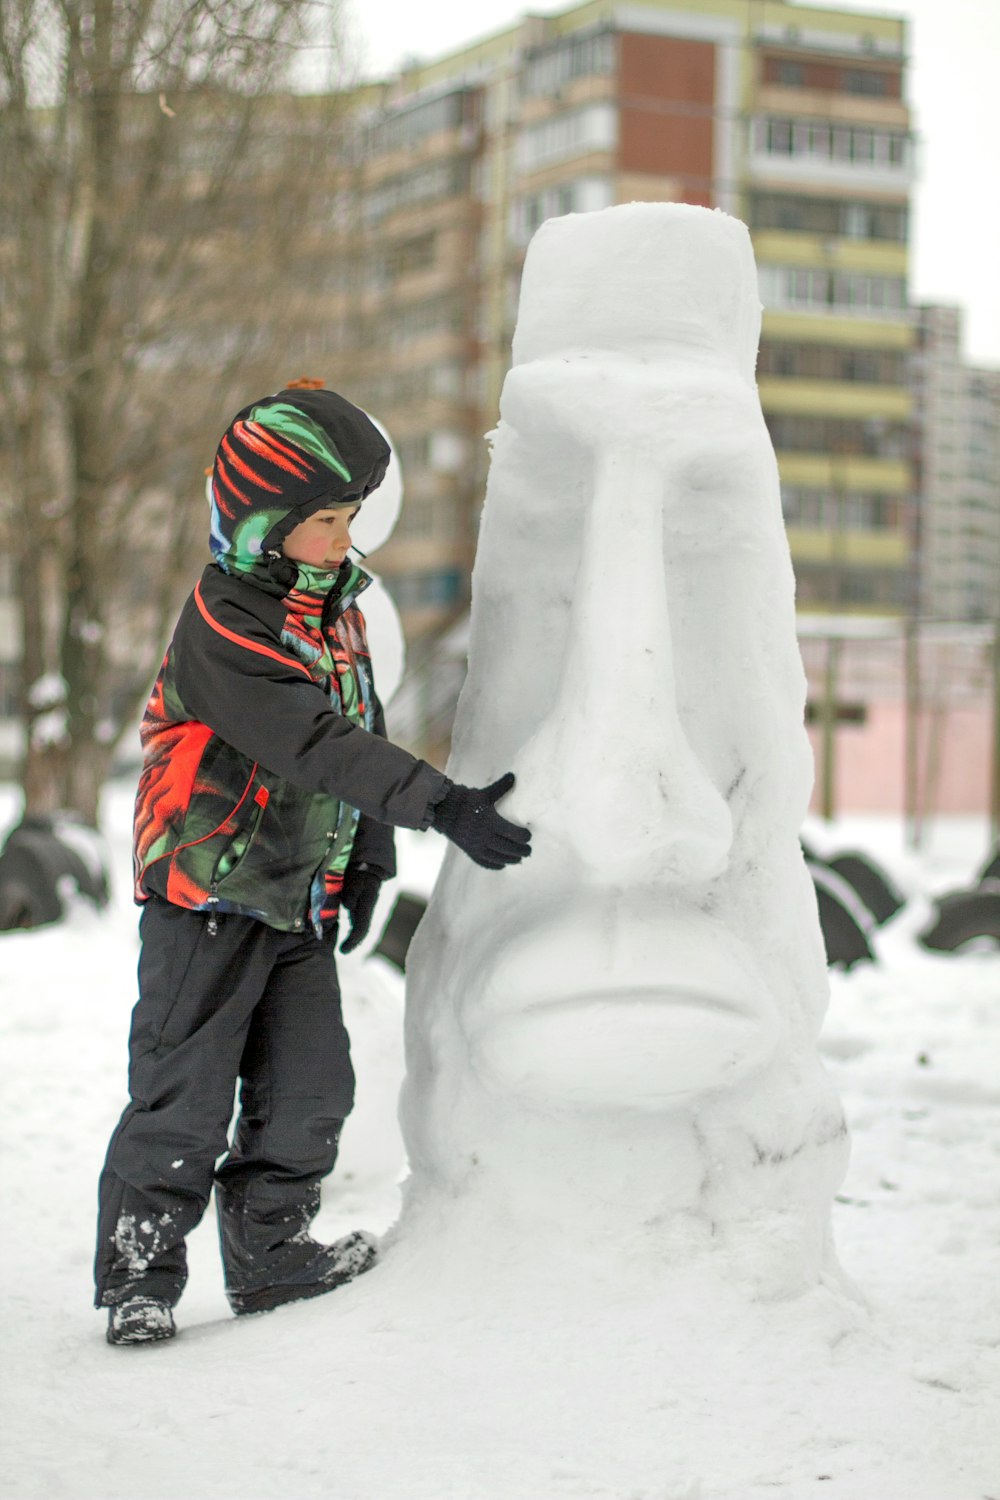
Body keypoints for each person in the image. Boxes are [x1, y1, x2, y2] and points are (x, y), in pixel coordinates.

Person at [95, 383, 531, 1345]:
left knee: (311, 1089)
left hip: (292, 896)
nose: (343, 538)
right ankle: (139, 1275)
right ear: (256, 523)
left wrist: (366, 854)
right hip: (205, 892)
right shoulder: (223, 621)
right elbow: (309, 740)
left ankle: (271, 1256)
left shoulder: (331, 608)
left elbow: (357, 725)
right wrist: (440, 805)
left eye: (348, 517)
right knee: (184, 1095)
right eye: (324, 520)